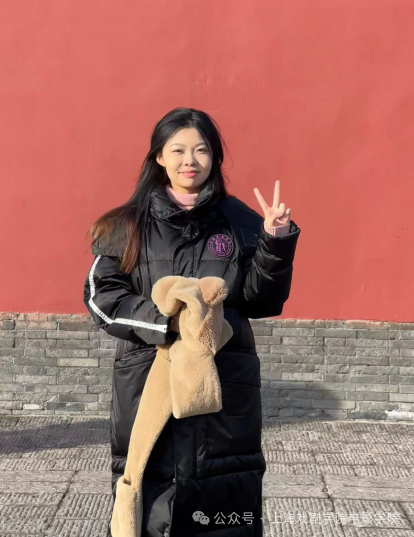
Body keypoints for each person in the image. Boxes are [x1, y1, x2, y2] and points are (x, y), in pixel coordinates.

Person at [83, 107, 301, 537]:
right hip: (148, 383)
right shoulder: (125, 225)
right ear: (159, 157)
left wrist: (274, 242)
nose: (190, 160)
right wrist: (167, 323)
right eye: (178, 150)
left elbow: (261, 301)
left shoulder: (240, 222)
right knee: (150, 501)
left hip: (225, 387)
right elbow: (102, 298)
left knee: (223, 505)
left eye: (201, 150)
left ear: (214, 158)